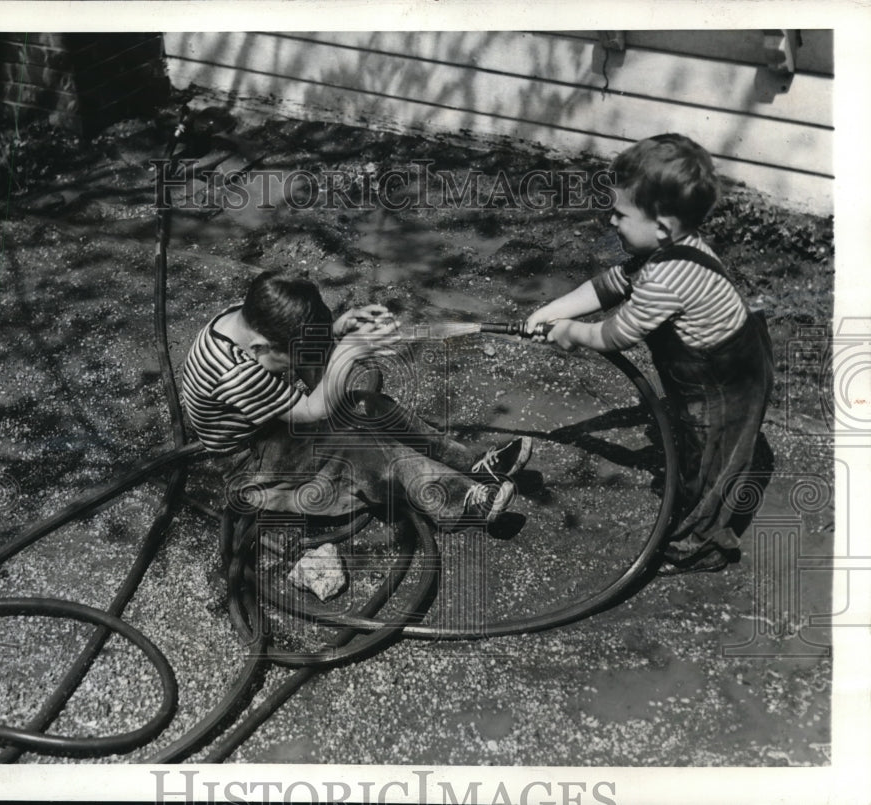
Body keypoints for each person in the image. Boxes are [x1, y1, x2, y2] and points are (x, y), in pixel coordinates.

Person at [525, 133, 774, 574]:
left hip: (725, 378)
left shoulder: (666, 278)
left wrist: (573, 333)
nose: (610, 220)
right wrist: (554, 309)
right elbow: (609, 286)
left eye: (620, 213)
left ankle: (703, 547)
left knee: (713, 464)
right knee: (700, 445)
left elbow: (617, 334)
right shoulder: (659, 253)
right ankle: (699, 500)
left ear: (661, 227)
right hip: (710, 362)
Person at [181, 270, 533, 534]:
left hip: (269, 424)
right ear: (259, 348)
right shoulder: (236, 372)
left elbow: (293, 350)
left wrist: (334, 330)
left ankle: (471, 464)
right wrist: (347, 353)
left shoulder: (246, 319)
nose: (304, 359)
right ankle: (459, 501)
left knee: (366, 405)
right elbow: (311, 411)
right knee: (361, 447)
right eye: (293, 356)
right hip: (252, 458)